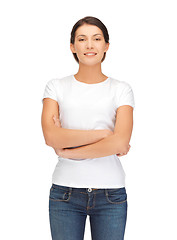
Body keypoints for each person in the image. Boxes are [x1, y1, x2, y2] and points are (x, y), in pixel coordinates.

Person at [41, 16, 135, 240]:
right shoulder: (56, 87)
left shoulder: (121, 89)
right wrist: (103, 136)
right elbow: (51, 136)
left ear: (106, 46)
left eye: (97, 38)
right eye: (82, 39)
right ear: (73, 46)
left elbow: (120, 142)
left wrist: (67, 151)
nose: (90, 45)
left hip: (111, 194)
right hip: (65, 193)